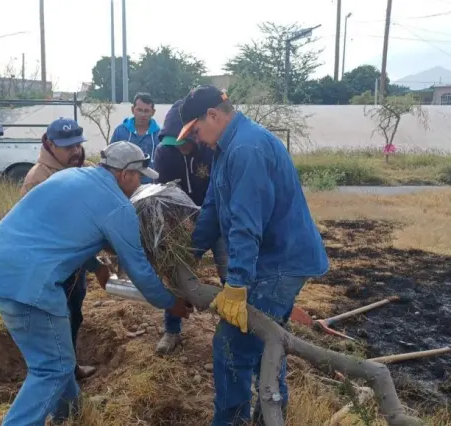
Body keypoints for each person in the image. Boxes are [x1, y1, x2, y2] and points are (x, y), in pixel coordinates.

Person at [0, 141, 192, 425]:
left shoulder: (70, 176)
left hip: (0, 266)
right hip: (31, 283)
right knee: (53, 368)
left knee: (57, 359)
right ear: (125, 173)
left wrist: (95, 265)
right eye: (138, 176)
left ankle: (72, 414)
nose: (139, 184)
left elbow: (60, 229)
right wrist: (170, 303)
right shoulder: (117, 206)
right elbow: (139, 271)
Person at [177, 85, 329, 426]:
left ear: (213, 116)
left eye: (196, 129)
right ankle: (268, 415)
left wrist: (237, 284)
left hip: (281, 263)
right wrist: (188, 255)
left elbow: (246, 225)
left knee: (230, 347)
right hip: (272, 258)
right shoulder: (225, 149)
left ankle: (234, 421)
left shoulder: (247, 148)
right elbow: (215, 211)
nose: (197, 138)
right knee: (265, 338)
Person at [20, 117, 96, 380]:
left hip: (76, 264)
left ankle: (71, 369)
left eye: (77, 144)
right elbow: (38, 232)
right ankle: (52, 376)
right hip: (50, 269)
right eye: (67, 147)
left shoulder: (84, 170)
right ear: (50, 145)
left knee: (74, 315)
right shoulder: (37, 179)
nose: (75, 151)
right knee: (54, 322)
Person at [152, 100, 228, 355]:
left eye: (184, 141)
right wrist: (180, 220)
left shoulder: (211, 149)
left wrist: (206, 218)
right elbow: (164, 193)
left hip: (215, 220)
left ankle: (233, 330)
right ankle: (172, 330)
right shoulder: (164, 153)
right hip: (181, 223)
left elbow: (218, 191)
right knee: (177, 274)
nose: (181, 148)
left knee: (230, 273)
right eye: (175, 143)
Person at [110, 92, 160, 184]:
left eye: (146, 111)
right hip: (123, 187)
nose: (143, 114)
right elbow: (110, 159)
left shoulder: (159, 134)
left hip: (151, 188)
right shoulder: (120, 131)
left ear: (153, 112)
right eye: (139, 110)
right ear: (133, 110)